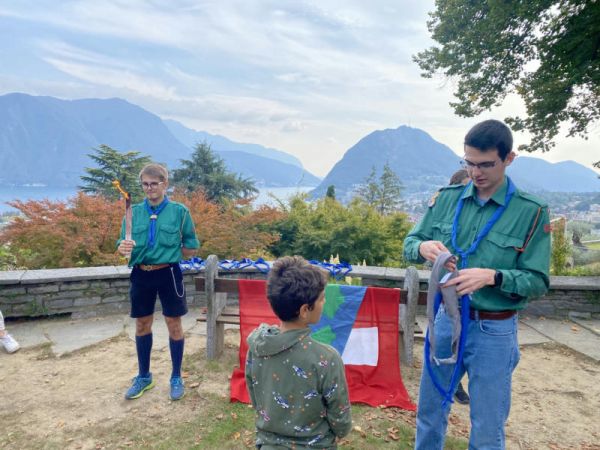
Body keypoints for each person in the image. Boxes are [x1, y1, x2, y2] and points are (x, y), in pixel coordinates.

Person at [404, 119, 551, 449]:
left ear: (509, 158)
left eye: (486, 164)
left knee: (487, 426)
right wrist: (422, 247)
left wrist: (494, 276)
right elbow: (410, 242)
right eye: (468, 163)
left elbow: (539, 282)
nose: (475, 172)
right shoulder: (446, 198)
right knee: (429, 412)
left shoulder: (531, 212)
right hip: (446, 321)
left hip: (494, 332)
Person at [245, 256, 352, 449]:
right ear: (305, 310)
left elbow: (256, 396)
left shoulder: (256, 348)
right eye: (321, 298)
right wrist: (341, 431)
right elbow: (339, 415)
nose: (324, 301)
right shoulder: (326, 359)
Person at [117, 163, 199, 401]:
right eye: (145, 184)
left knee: (174, 324)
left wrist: (183, 251)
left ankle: (176, 376)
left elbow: (191, 244)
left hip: (169, 273)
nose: (149, 188)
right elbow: (123, 242)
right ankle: (144, 376)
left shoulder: (180, 212)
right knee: (142, 324)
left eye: (154, 183)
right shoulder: (133, 212)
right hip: (141, 274)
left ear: (165, 184)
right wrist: (122, 247)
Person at [447, 168, 471, 405]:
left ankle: (456, 382)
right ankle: (455, 384)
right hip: (451, 297)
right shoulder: (448, 214)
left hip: (477, 298)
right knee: (452, 343)